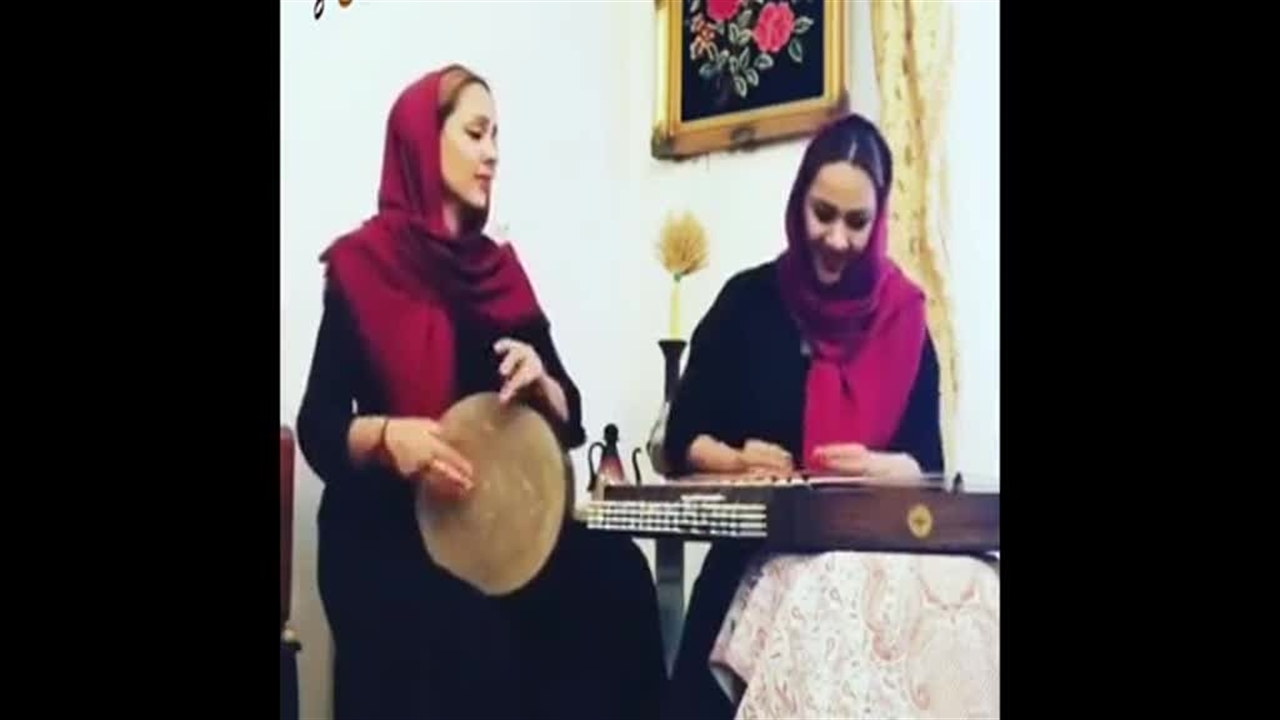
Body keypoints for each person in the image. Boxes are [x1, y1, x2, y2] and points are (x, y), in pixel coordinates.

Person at [296, 65, 666, 720]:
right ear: (421, 141)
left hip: (494, 529)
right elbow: (319, 425)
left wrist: (543, 382)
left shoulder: (500, 273)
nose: (492, 152)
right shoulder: (361, 267)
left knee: (617, 576)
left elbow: (570, 412)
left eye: (497, 135)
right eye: (475, 133)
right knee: (472, 636)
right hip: (384, 534)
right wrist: (388, 437)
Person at [661, 114, 999, 719]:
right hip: (755, 562)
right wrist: (734, 460)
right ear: (798, 204)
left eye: (857, 222)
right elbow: (680, 438)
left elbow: (928, 466)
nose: (838, 239)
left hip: (878, 575)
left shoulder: (905, 322)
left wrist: (882, 469)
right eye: (823, 214)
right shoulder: (747, 303)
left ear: (879, 219)